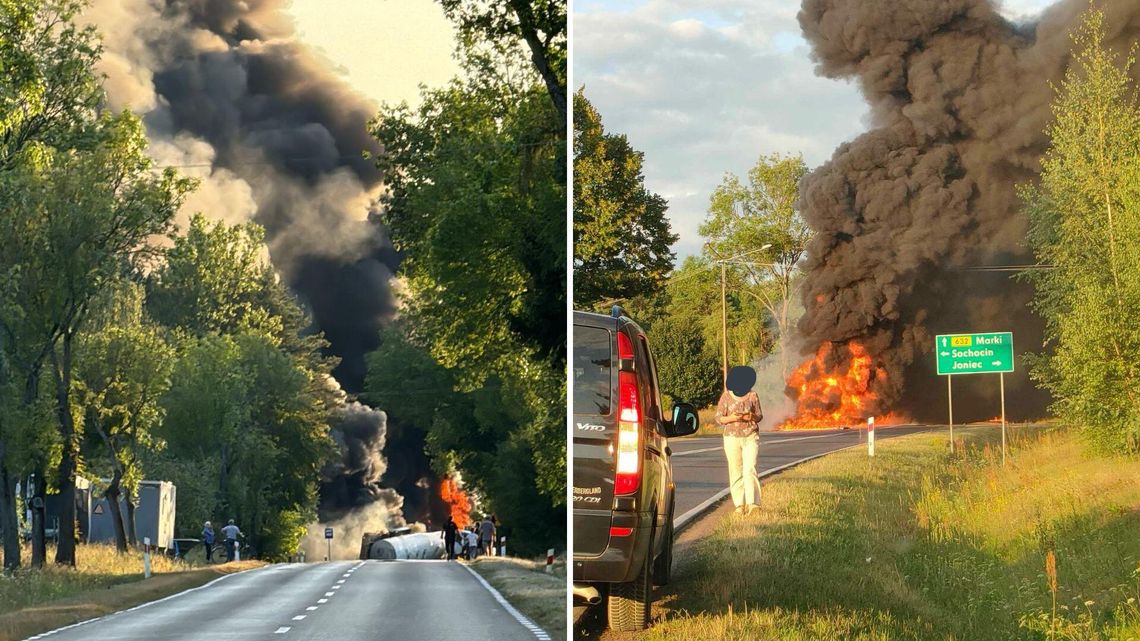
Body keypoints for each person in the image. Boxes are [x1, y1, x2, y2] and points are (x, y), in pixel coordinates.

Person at [715, 365, 763, 516]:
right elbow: (718, 418)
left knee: (750, 468)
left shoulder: (753, 395)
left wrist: (751, 417)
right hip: (731, 438)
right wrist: (732, 418)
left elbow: (759, 416)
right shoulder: (726, 397)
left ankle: (753, 504)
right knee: (736, 470)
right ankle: (739, 505)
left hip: (750, 436)